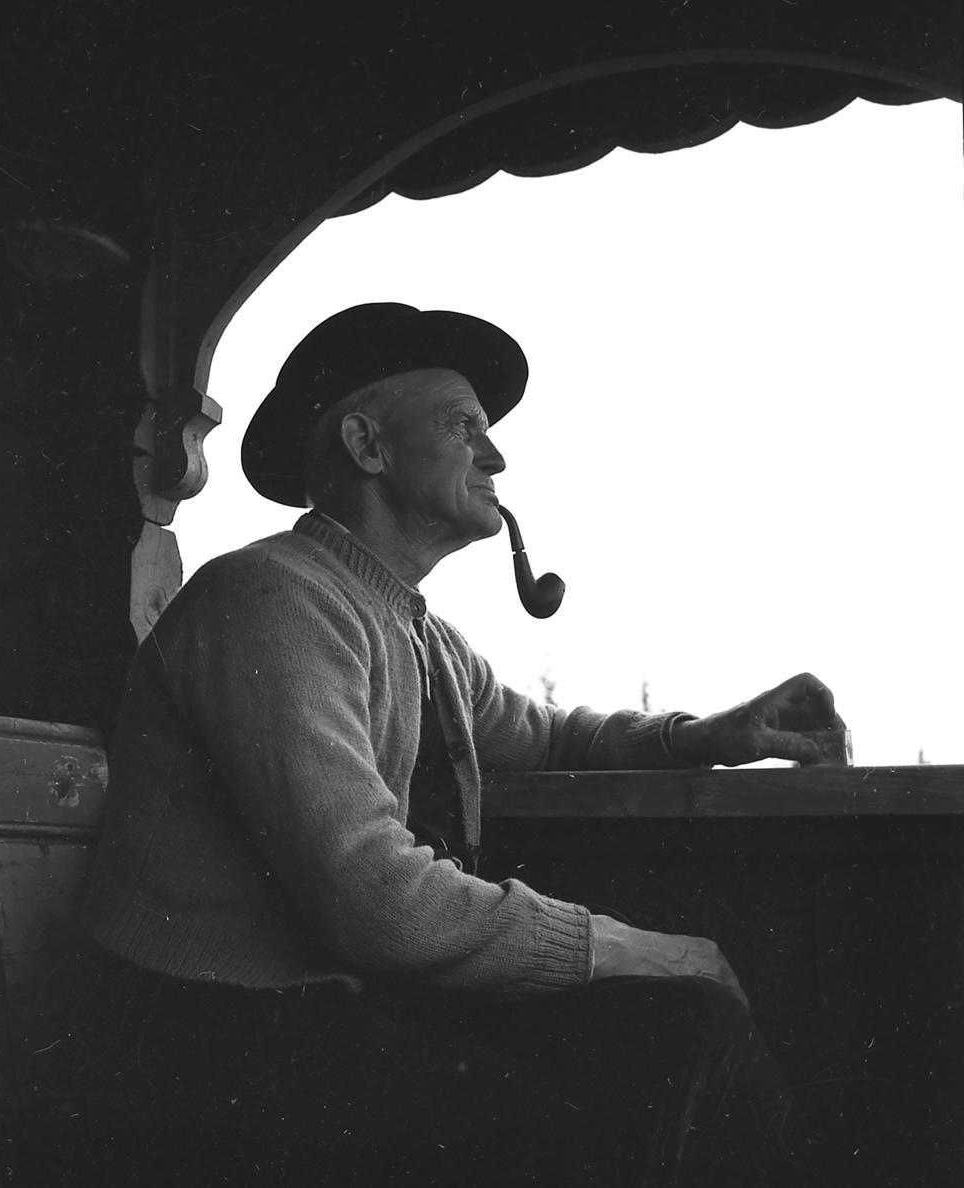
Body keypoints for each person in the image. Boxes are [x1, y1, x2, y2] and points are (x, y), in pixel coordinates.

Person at [46, 304, 846, 1186]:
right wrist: (628, 945)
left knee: (686, 1025)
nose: (495, 457)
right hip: (212, 1038)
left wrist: (703, 737)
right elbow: (376, 899)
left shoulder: (418, 632)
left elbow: (545, 736)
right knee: (574, 1129)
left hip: (332, 1009)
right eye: (465, 426)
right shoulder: (267, 598)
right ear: (368, 445)